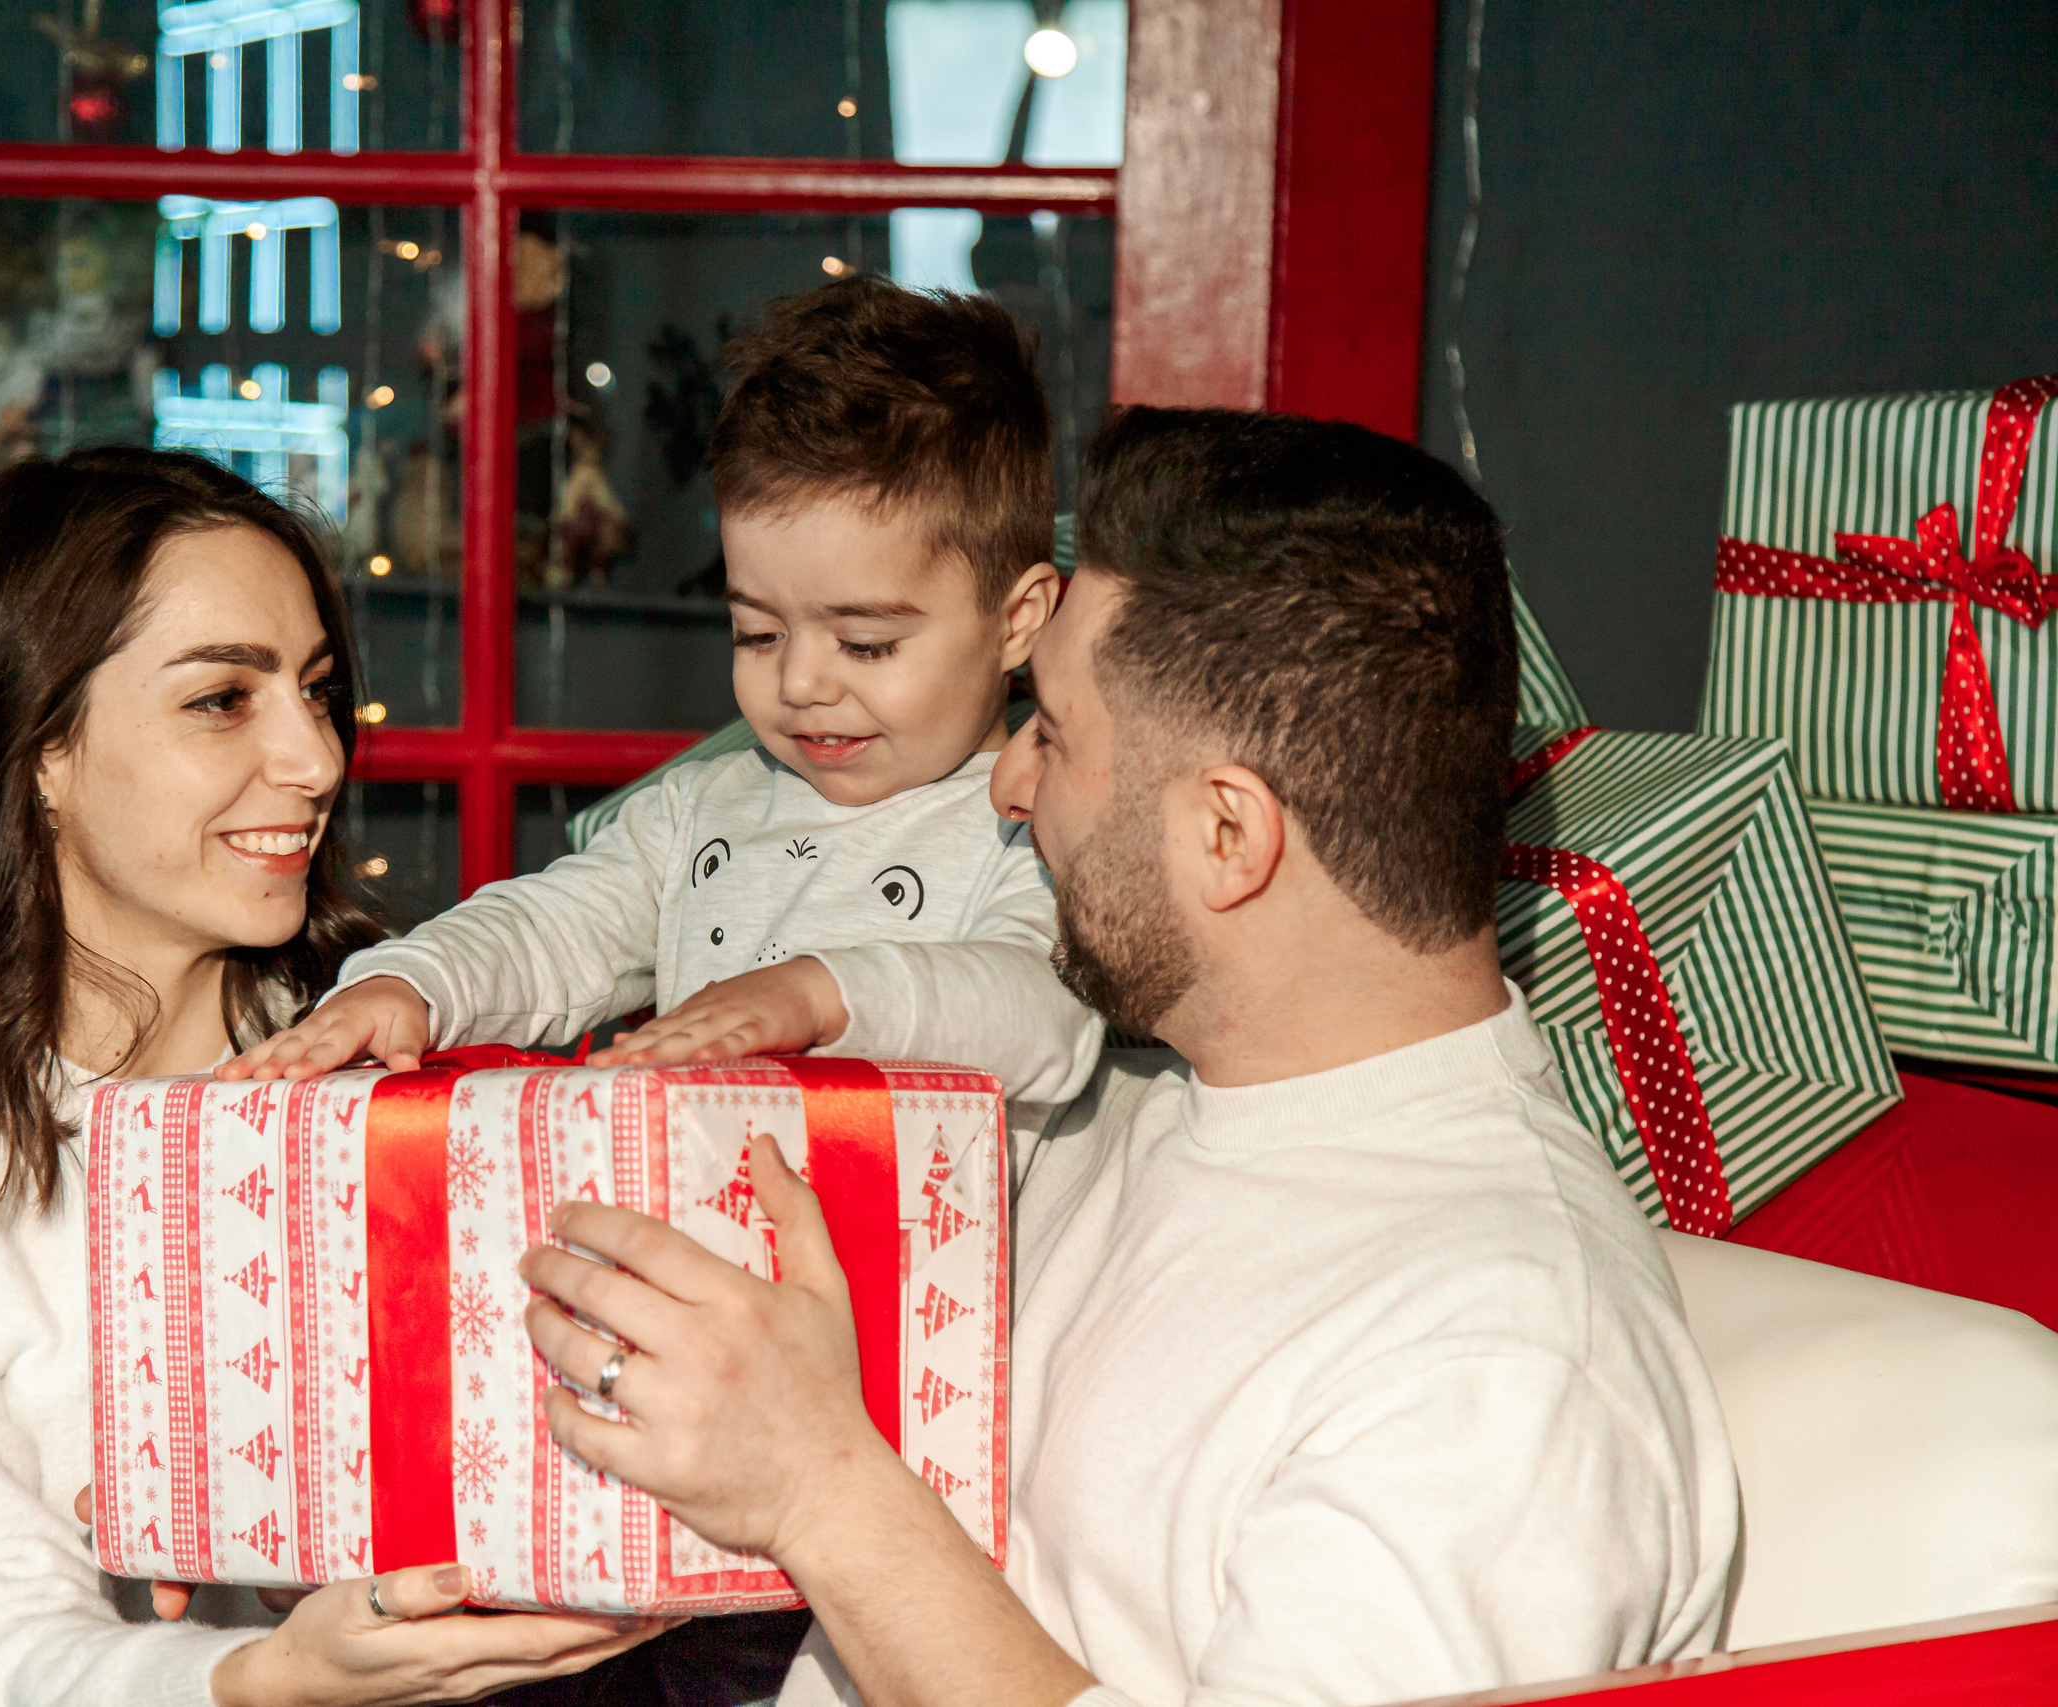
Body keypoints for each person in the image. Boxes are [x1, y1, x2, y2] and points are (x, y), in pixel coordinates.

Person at [513, 408, 1743, 1707]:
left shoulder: (1501, 1372)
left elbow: (832, 1482)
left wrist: (820, 1483)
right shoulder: (1110, 1119)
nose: (1006, 786)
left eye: (1054, 732)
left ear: (1228, 833)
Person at [0, 448, 669, 1707]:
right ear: (37, 743)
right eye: (224, 700)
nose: (316, 760)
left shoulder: (384, 1062)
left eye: (318, 693)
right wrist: (266, 1677)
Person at [225, 275, 1104, 1121]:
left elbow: (1045, 1016)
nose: (799, 683)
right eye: (758, 633)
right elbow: (551, 927)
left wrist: (820, 995)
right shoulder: (696, 813)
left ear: (1019, 618)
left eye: (866, 642)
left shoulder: (1037, 828)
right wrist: (413, 982)